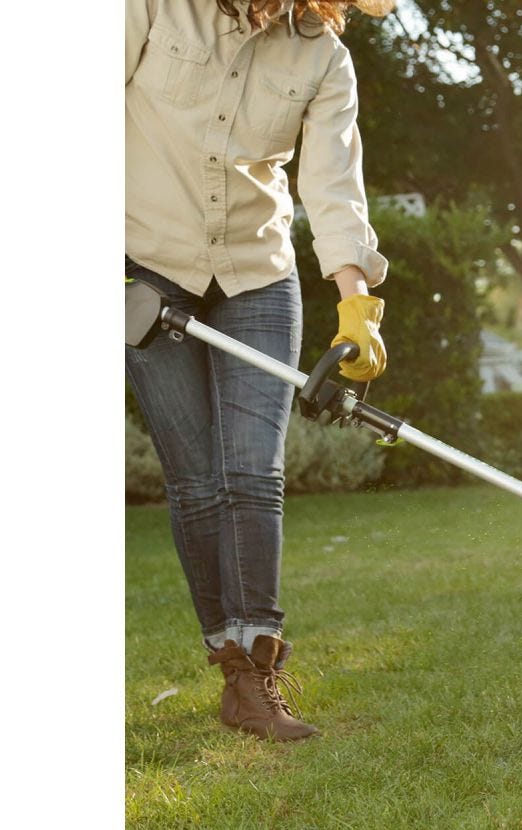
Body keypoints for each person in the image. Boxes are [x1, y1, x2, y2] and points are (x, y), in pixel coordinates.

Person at [125, 0, 395, 741]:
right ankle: (228, 658)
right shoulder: (151, 8)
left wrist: (356, 307)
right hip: (146, 272)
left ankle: (258, 673)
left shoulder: (321, 57)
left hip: (256, 278)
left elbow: (333, 186)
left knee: (252, 472)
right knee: (197, 480)